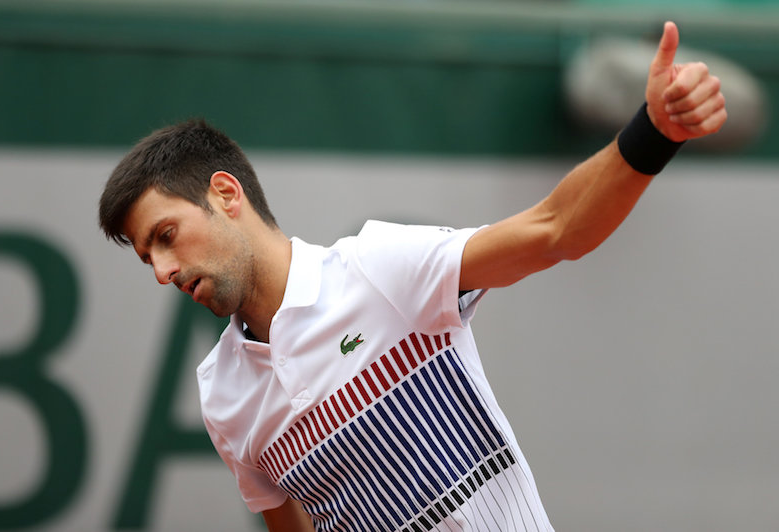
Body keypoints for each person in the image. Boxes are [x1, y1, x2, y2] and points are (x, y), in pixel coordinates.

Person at [99, 21, 725, 532]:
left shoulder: (377, 269)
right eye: (146, 256)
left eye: (166, 236)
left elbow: (556, 229)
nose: (162, 270)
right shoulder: (224, 397)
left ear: (226, 194)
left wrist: (654, 133)